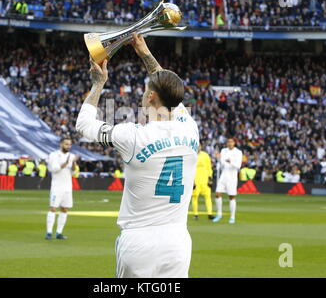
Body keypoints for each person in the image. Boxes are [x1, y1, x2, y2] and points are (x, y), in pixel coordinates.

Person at [76, 33, 199, 278]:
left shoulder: (132, 136)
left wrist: (98, 83)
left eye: (146, 90)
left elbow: (84, 125)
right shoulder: (190, 127)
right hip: (177, 241)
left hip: (139, 241)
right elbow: (168, 87)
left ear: (151, 96)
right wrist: (144, 53)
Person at [46, 138, 78, 240]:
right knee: (53, 208)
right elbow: (53, 169)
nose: (68, 146)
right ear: (61, 144)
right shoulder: (54, 155)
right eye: (66, 144)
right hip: (56, 186)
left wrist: (73, 163)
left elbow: (73, 173)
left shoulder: (72, 156)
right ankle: (49, 232)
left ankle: (59, 232)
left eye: (69, 144)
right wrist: (66, 162)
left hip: (67, 187)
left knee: (64, 209)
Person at [213, 138, 243, 224]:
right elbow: (221, 163)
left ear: (234, 143)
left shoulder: (238, 152)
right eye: (228, 142)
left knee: (231, 196)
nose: (229, 143)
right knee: (218, 194)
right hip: (223, 175)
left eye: (231, 142)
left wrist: (231, 161)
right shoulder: (223, 151)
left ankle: (232, 217)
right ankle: (219, 214)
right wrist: (218, 158)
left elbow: (238, 166)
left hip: (232, 177)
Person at [191, 145, 214, 220]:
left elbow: (209, 167)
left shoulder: (205, 155)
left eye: (199, 146)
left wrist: (210, 178)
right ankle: (195, 214)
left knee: (208, 197)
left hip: (205, 180)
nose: (198, 148)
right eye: (197, 147)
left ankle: (210, 214)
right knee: (194, 197)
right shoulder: (191, 156)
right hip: (196, 180)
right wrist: (192, 181)